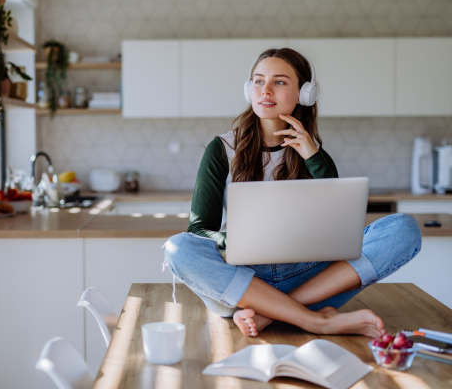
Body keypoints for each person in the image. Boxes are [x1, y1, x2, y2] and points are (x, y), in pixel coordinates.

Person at [163, 48, 422, 338]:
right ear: (249, 90)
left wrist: (313, 156)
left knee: (403, 229)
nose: (266, 90)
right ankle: (315, 321)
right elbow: (198, 229)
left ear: (305, 93)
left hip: (306, 276)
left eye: (280, 82)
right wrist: (234, 240)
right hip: (243, 278)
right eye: (259, 81)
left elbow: (338, 228)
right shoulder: (222, 149)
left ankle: (271, 312)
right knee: (178, 248)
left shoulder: (314, 154)